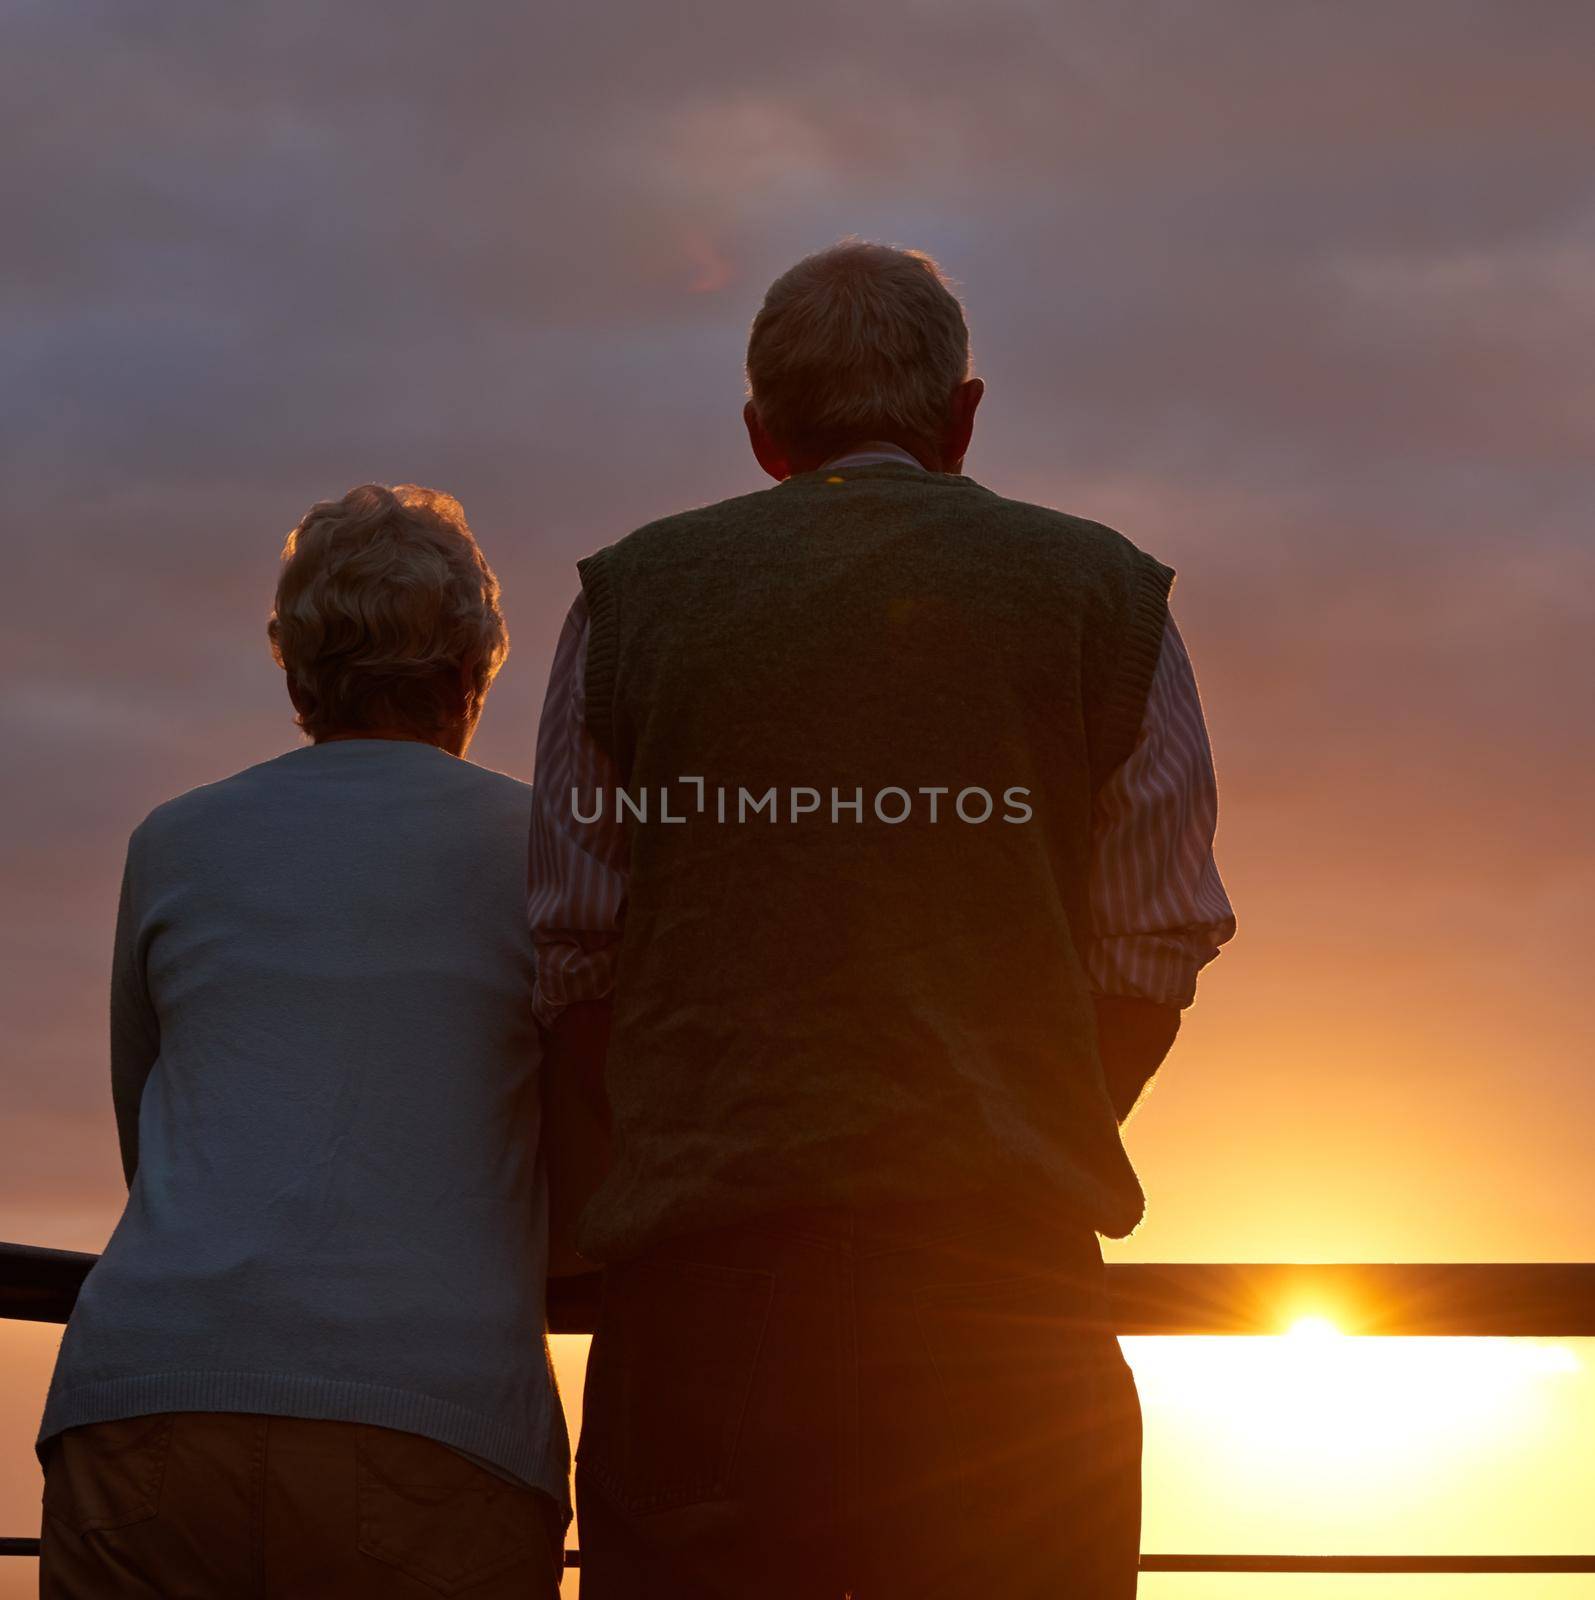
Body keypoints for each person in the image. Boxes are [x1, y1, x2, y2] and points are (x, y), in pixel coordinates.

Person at [530, 242, 1236, 1598]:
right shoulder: (1107, 600)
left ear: (760, 436)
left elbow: (575, 958)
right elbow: (1152, 940)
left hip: (700, 1315)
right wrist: (1006, 1120)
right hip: (1000, 1302)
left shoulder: (624, 604)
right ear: (963, 418)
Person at [38, 484, 568, 1598]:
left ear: (295, 666)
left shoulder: (174, 842)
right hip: (436, 1420)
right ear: (473, 671)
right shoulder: (541, 851)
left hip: (144, 1398)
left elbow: (154, 1139)